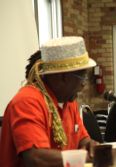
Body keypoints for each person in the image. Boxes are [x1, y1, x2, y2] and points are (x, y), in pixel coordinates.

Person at [0, 36, 97, 167]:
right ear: (62, 76)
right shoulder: (27, 102)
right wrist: (83, 158)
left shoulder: (69, 101)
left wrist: (90, 146)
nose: (83, 84)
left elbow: (82, 139)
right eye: (82, 76)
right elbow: (36, 159)